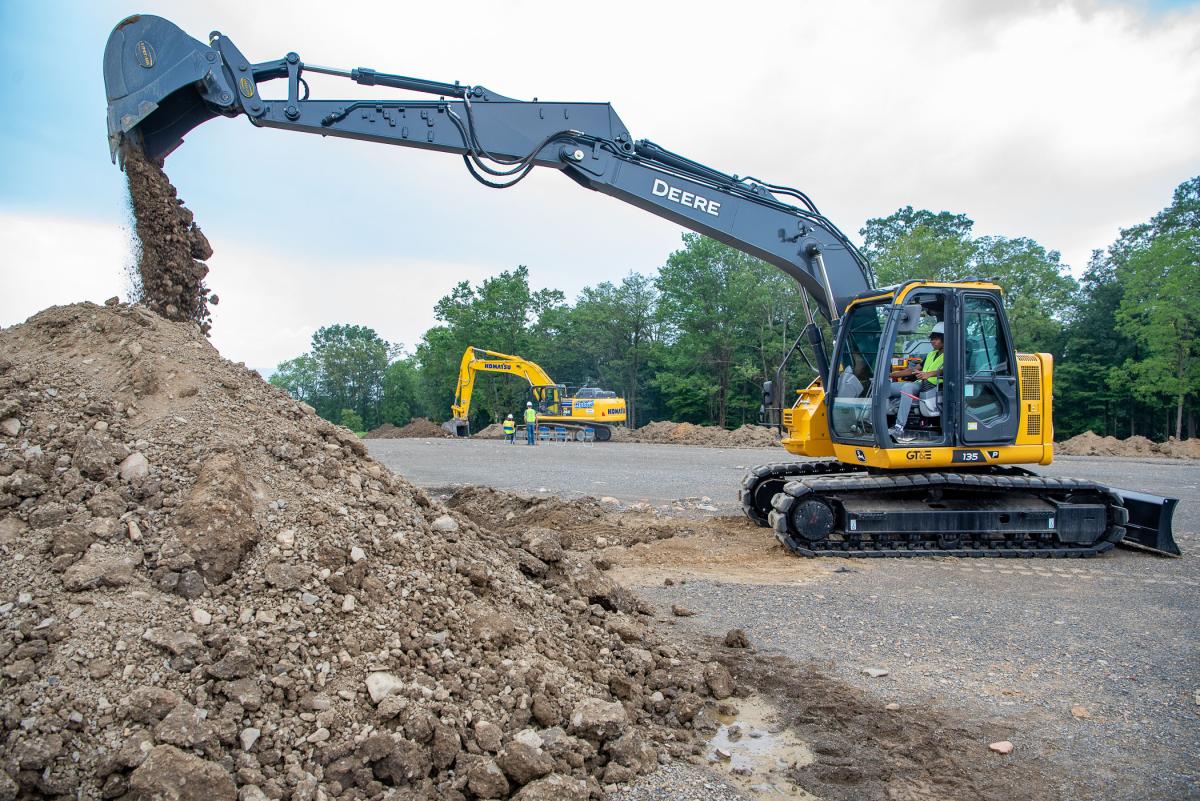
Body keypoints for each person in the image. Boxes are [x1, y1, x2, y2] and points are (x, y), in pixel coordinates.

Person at [888, 322, 944, 441]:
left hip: (932, 387)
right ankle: (878, 421)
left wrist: (928, 374)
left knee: (907, 387)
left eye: (936, 339)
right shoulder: (931, 354)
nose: (932, 341)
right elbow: (913, 370)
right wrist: (891, 374)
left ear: (944, 340)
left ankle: (899, 427)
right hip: (920, 384)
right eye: (932, 339)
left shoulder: (951, 355)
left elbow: (947, 370)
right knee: (885, 387)